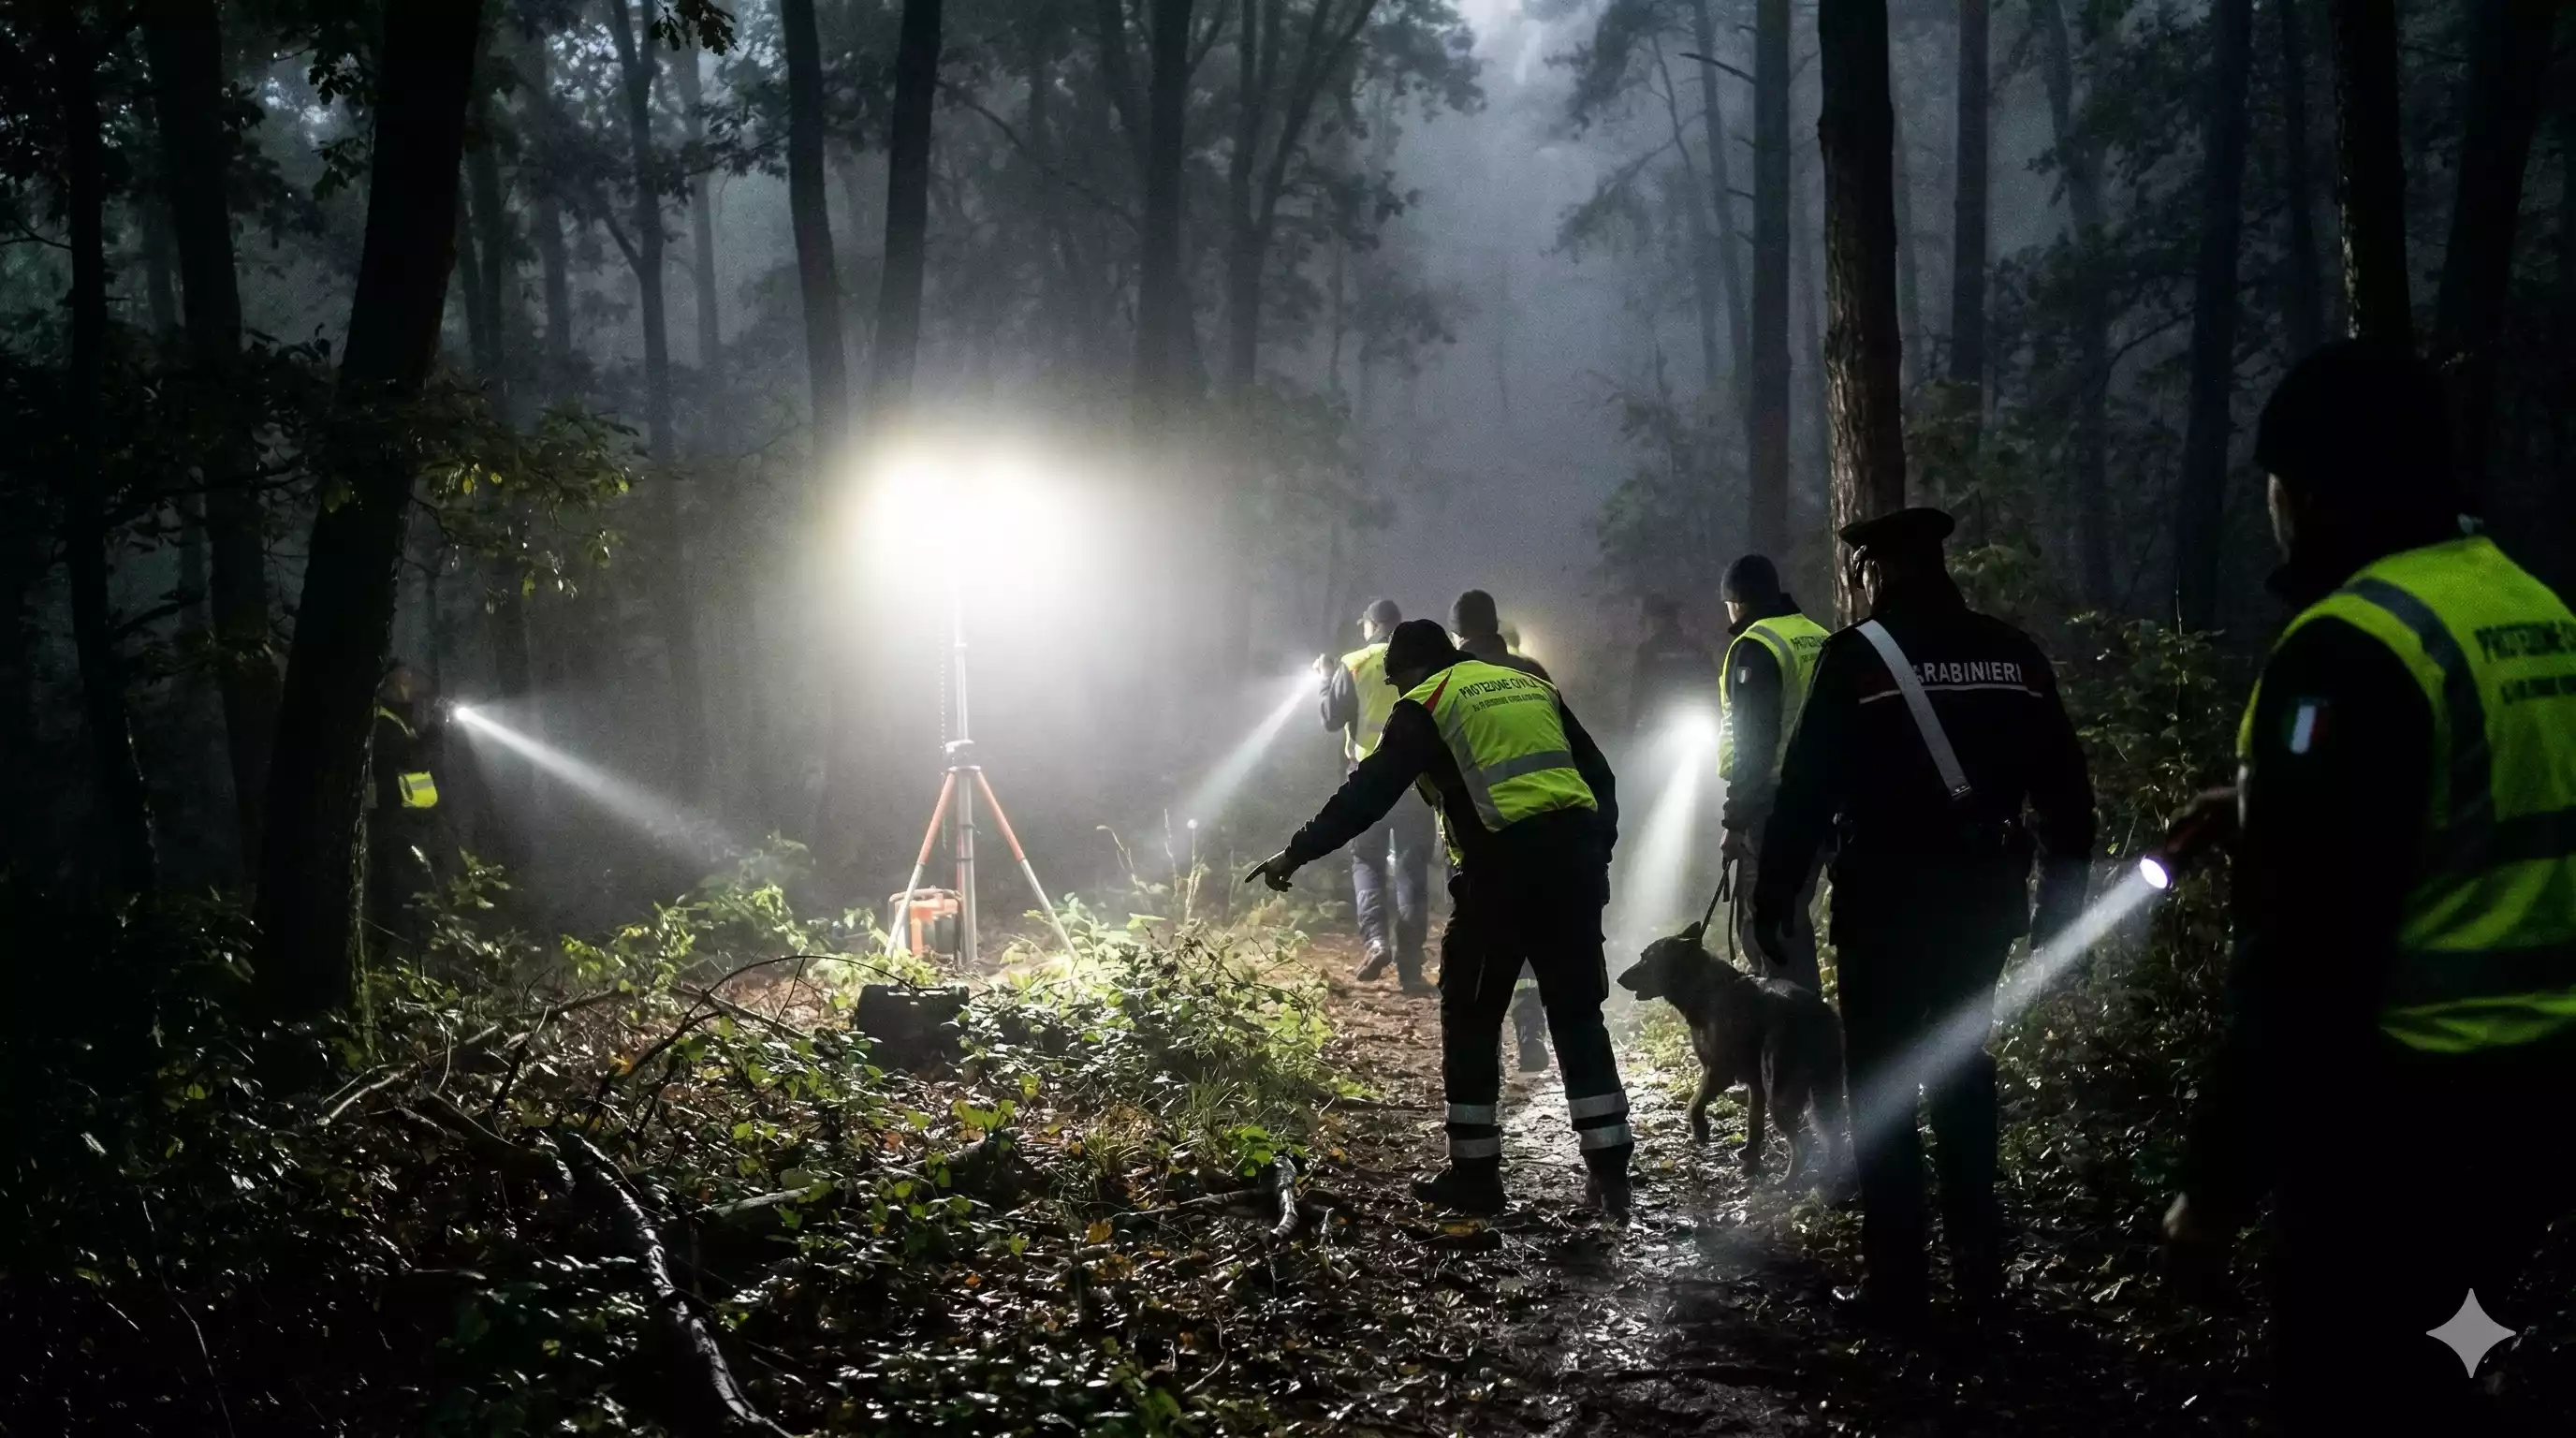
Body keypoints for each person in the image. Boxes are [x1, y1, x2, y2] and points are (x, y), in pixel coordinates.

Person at [2160, 342, 2576, 1434]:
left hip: (2400, 1126)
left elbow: (2302, 958)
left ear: (2305, 489)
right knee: (2462, 1362)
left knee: (2349, 1389)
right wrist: (2267, 806)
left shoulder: (2351, 646)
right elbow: (2473, 807)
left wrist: (2211, 1192)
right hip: (2535, 1112)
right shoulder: (2528, 609)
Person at [1755, 507, 2093, 1321]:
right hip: (1984, 904)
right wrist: (2061, 905)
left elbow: (1803, 792)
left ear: (1874, 572)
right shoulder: (2015, 654)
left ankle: (1899, 1283)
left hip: (1886, 903)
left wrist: (1777, 897)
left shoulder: (1856, 659)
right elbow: (2067, 792)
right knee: (1964, 1061)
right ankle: (1980, 1268)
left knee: (1881, 1080)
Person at [1249, 619, 1632, 1216]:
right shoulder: (1530, 685)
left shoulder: (1425, 703)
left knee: (1472, 1013)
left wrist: (1297, 851)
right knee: (1579, 1013)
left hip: (1501, 876)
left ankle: (1476, 1176)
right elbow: (1600, 776)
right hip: (1575, 870)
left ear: (1403, 673)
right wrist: (1595, 850)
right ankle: (1611, 1174)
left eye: (1397, 683)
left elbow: (1367, 793)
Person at [1449, 588, 1554, 1072]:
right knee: (1536, 933)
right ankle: (1532, 1030)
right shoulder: (1533, 673)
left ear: (1458, 632)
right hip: (1550, 827)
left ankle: (1479, 1060)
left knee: (1485, 942)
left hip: (1484, 836)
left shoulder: (1449, 680)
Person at [1717, 555, 1831, 988]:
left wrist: (1734, 820)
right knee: (1793, 918)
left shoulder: (1755, 645)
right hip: (1827, 801)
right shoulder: (1819, 636)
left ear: (1737, 602)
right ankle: (1805, 1028)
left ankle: (1791, 1034)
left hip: (1775, 806)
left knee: (1770, 925)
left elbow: (1753, 744)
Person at [1316, 599, 1435, 991]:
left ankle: (1377, 941)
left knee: (1367, 860)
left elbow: (1332, 721)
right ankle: (1411, 969)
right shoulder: (1428, 662)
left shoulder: (1353, 663)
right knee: (1412, 869)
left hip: (1368, 778)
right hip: (1417, 782)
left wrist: (1324, 679)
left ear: (1373, 625)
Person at [367, 661, 451, 946]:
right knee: (404, 892)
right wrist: (436, 729)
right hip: (393, 823)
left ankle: (413, 956)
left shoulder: (399, 722)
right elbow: (412, 760)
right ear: (387, 685)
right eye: (403, 680)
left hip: (410, 820)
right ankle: (403, 958)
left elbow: (421, 760)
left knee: (412, 891)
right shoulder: (383, 723)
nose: (409, 685)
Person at [1626, 594, 1719, 744]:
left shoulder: (1650, 650)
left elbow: (1637, 693)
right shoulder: (1693, 648)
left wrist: (1630, 730)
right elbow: (1638, 691)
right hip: (1669, 724)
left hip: (1674, 724)